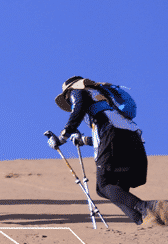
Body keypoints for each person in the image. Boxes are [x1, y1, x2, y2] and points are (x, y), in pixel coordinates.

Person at [53, 77, 165, 225]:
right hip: (133, 139)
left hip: (113, 137)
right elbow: (109, 135)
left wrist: (63, 136)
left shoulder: (77, 91)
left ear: (69, 91)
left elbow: (79, 109)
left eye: (67, 99)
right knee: (116, 188)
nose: (69, 101)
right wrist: (84, 140)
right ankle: (145, 220)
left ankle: (150, 208)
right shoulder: (105, 99)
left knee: (104, 186)